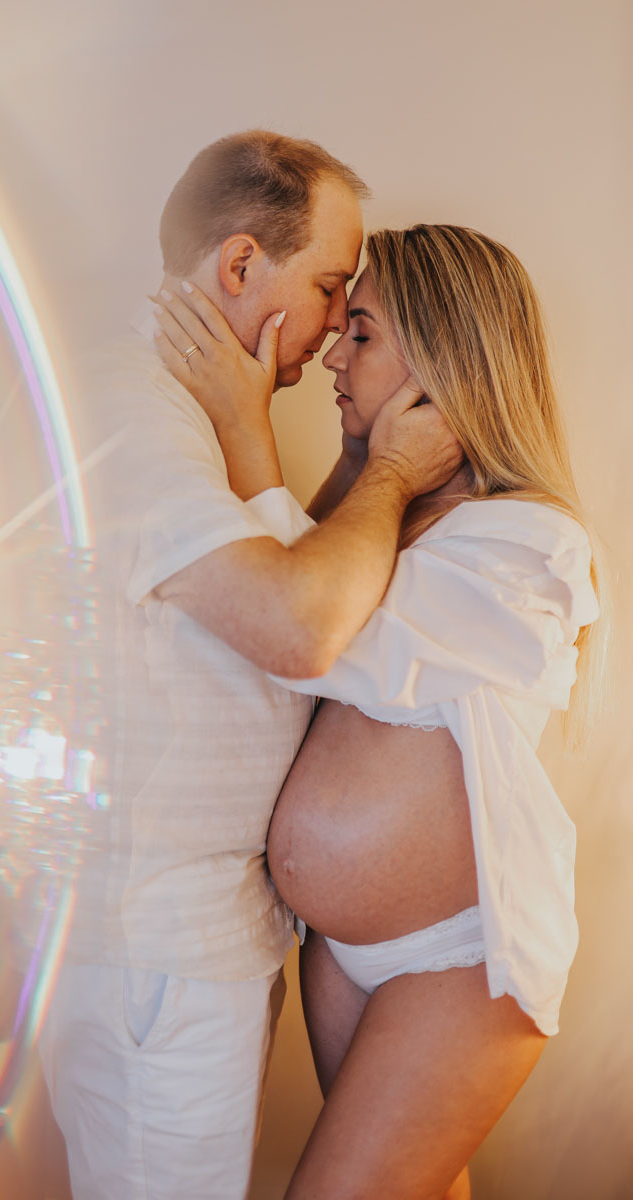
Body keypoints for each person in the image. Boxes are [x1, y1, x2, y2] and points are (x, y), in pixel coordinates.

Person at [37, 133, 461, 1199]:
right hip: (156, 962)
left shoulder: (190, 415)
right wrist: (389, 471)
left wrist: (337, 459)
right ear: (238, 265)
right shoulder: (132, 416)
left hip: (194, 953)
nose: (336, 328)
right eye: (329, 287)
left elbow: (283, 578)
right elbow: (300, 627)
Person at [153, 223, 603, 1199]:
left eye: (360, 333)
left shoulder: (530, 542)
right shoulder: (381, 519)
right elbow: (284, 605)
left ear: (444, 361)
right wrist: (370, 474)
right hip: (342, 952)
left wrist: (254, 433)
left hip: (457, 962)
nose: (333, 357)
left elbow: (324, 643)